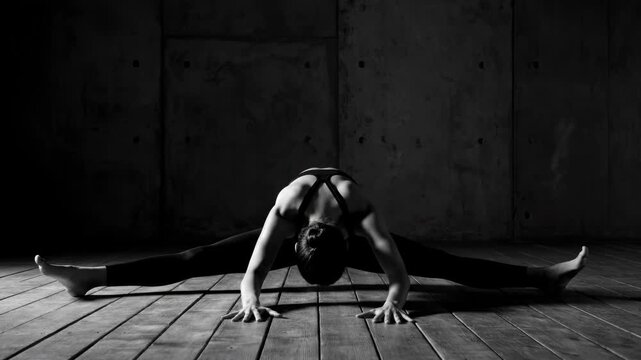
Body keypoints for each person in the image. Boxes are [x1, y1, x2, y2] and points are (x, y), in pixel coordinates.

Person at [35, 167, 588, 325]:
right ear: (298, 242)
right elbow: (252, 270)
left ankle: (544, 277)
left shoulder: (360, 213)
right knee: (194, 261)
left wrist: (396, 296)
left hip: (338, 235)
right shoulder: (287, 207)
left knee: (441, 263)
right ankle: (91, 275)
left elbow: (401, 272)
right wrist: (250, 296)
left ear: (347, 244)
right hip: (303, 234)